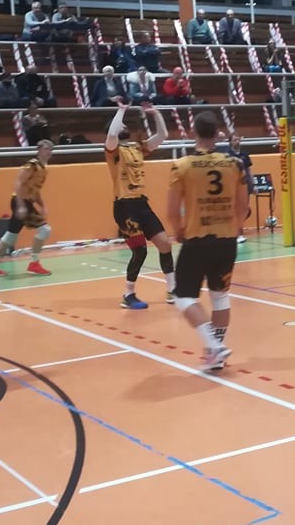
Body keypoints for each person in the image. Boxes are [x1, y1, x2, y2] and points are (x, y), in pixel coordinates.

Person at [167, 111, 249, 370]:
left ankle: (214, 346)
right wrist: (236, 226)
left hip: (198, 239)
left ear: (194, 132)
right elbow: (243, 205)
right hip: (227, 240)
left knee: (183, 297)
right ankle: (216, 355)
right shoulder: (234, 164)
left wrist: (178, 230)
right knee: (220, 296)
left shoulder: (182, 165)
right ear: (217, 133)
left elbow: (172, 210)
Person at [105, 100, 176, 310]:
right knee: (140, 251)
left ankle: (173, 290)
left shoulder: (137, 147)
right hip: (124, 206)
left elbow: (162, 135)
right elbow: (112, 134)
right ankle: (128, 294)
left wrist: (155, 113)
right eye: (121, 124)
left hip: (141, 203)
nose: (124, 125)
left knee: (165, 243)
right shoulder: (113, 150)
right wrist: (121, 110)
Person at [0, 140, 55, 276]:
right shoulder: (32, 165)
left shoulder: (43, 169)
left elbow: (35, 190)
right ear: (39, 150)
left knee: (11, 236)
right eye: (46, 149)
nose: (49, 152)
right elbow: (18, 183)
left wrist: (42, 205)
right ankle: (34, 264)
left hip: (26, 202)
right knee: (45, 230)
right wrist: (21, 205)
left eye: (51, 150)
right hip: (20, 201)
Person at [226, 133, 254, 244]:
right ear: (230, 142)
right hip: (233, 187)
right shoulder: (228, 155)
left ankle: (238, 232)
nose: (237, 142)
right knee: (234, 209)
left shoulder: (245, 155)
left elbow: (249, 171)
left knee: (244, 209)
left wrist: (253, 184)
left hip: (245, 185)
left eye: (238, 140)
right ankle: (236, 233)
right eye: (234, 140)